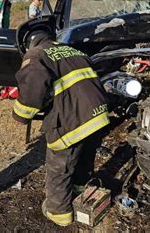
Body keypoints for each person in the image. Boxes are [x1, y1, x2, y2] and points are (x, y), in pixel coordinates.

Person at [12, 30, 109, 227]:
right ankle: (79, 190)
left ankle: (59, 213)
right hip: (98, 115)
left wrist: (20, 115)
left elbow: (33, 89)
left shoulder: (36, 55)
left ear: (28, 43)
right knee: (84, 156)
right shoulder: (71, 50)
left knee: (60, 166)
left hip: (73, 119)